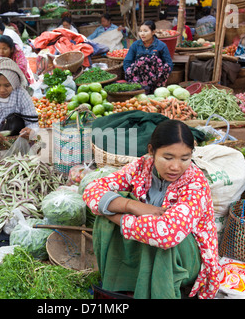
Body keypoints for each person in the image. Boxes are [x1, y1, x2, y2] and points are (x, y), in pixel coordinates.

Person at [83, 120, 221, 299]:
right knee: (110, 210)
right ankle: (118, 286)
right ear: (151, 151)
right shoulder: (142, 166)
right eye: (168, 157)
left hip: (187, 256)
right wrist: (132, 206)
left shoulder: (195, 183)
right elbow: (92, 189)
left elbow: (168, 233)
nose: (175, 166)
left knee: (162, 239)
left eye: (185, 158)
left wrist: (118, 218)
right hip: (150, 242)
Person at [123, 20, 173, 94]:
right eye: (140, 31)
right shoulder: (135, 45)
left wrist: (160, 76)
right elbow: (127, 62)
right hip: (138, 79)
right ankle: (140, 89)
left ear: (153, 32)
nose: (142, 34)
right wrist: (131, 74)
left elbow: (169, 64)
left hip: (156, 79)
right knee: (142, 61)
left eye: (145, 31)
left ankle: (154, 90)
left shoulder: (161, 46)